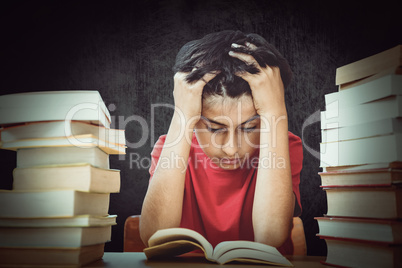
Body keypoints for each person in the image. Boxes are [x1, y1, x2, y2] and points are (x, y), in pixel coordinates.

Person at [139, 30, 303, 255]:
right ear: (196, 120)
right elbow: (153, 236)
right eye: (215, 129)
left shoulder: (284, 145)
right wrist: (182, 115)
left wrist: (275, 111)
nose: (231, 149)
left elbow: (270, 236)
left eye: (249, 127)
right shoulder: (169, 147)